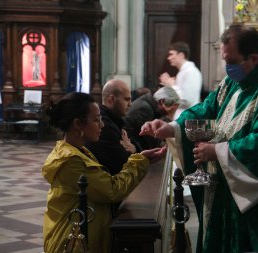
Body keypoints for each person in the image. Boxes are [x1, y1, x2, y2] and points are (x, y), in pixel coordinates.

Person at [140, 24, 258, 252]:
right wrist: (171, 127)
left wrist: (218, 151)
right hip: (226, 192)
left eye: (231, 62)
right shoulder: (238, 78)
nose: (227, 69)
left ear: (254, 58)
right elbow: (208, 108)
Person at [42, 92, 165, 253]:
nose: (102, 125)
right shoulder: (71, 161)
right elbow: (112, 190)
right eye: (96, 119)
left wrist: (141, 160)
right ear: (78, 124)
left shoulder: (79, 151)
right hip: (72, 244)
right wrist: (140, 161)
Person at [86, 79, 135, 175]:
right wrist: (132, 151)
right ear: (111, 99)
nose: (130, 104)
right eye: (126, 99)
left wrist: (132, 147)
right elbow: (122, 164)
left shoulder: (113, 121)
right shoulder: (106, 126)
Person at [124, 86, 180, 151]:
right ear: (162, 101)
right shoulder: (144, 108)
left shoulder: (148, 103)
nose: (168, 113)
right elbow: (153, 140)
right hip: (132, 148)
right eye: (170, 111)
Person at [159, 41, 202, 118]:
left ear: (181, 55)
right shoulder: (182, 72)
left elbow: (188, 100)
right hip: (182, 118)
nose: (169, 58)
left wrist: (172, 86)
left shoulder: (191, 71)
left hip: (188, 120)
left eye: (171, 54)